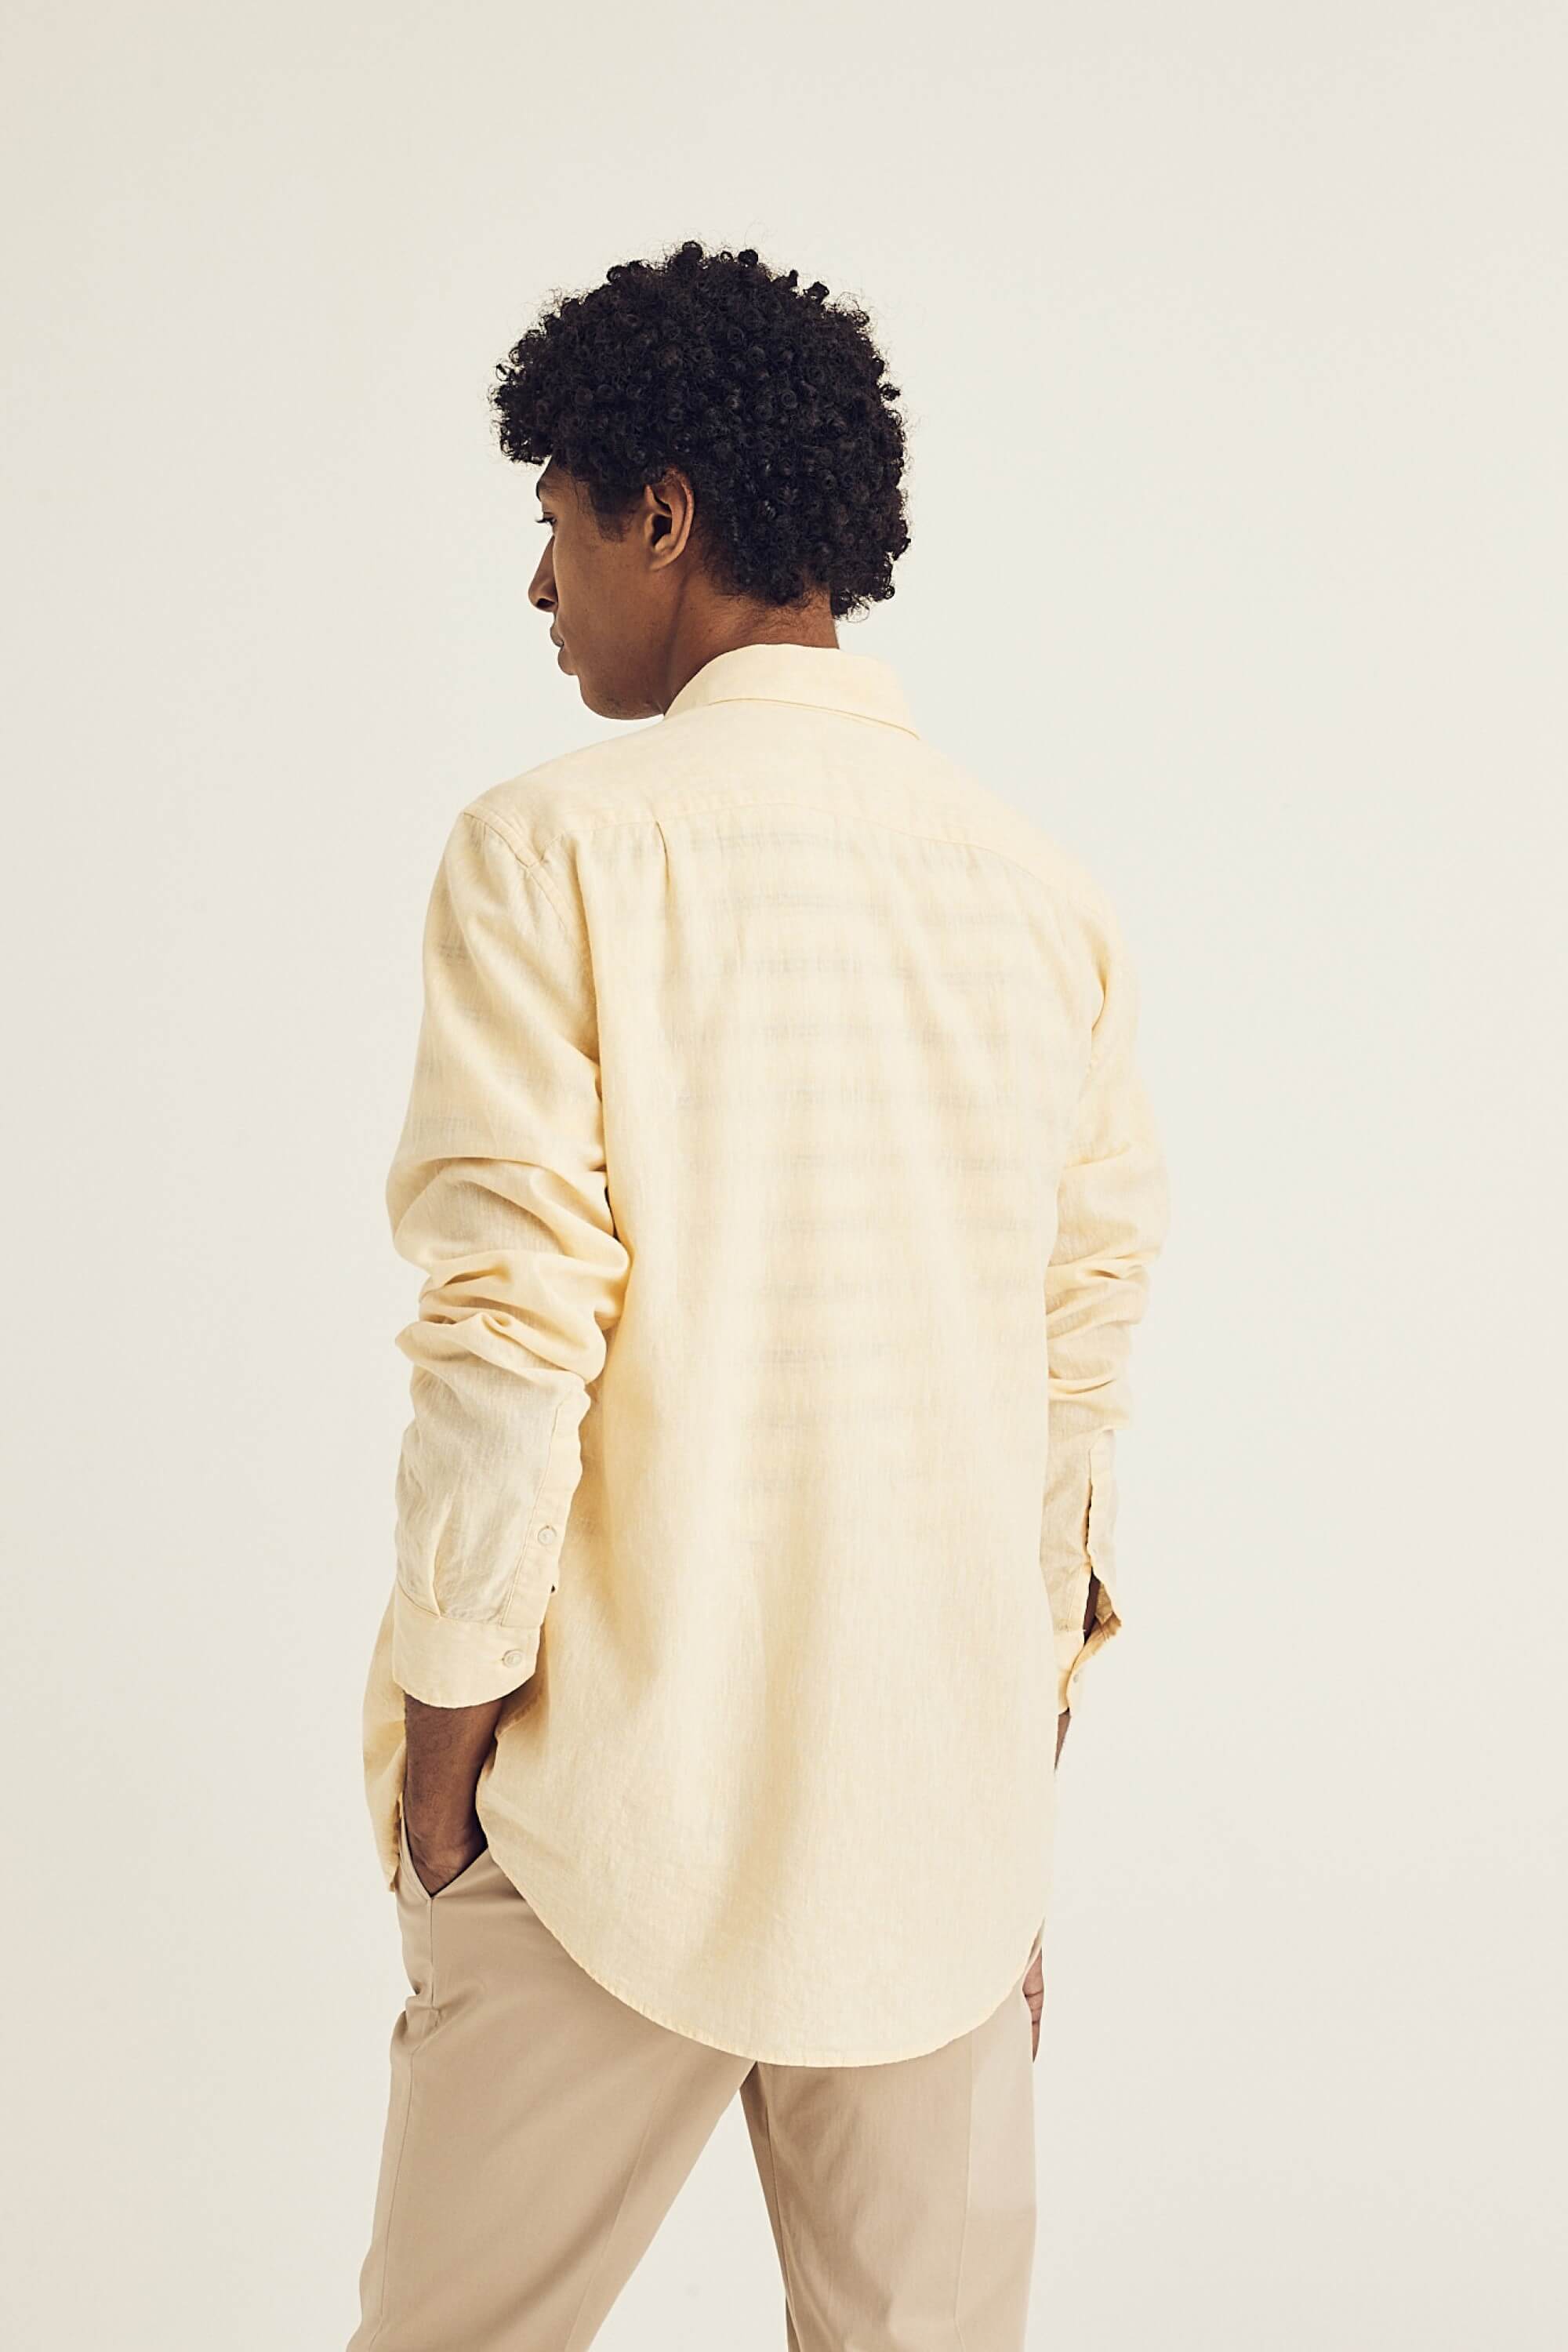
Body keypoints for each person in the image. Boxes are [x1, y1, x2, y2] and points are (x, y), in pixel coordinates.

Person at [347, 238, 1170, 2352]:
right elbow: (1072, 1383)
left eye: (555, 521)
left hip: (608, 1819)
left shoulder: (549, 849)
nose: (539, 587)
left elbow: (513, 1328)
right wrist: (1006, 1801)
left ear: (664, 513)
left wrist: (441, 1767)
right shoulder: (1045, 898)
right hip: (932, 1843)